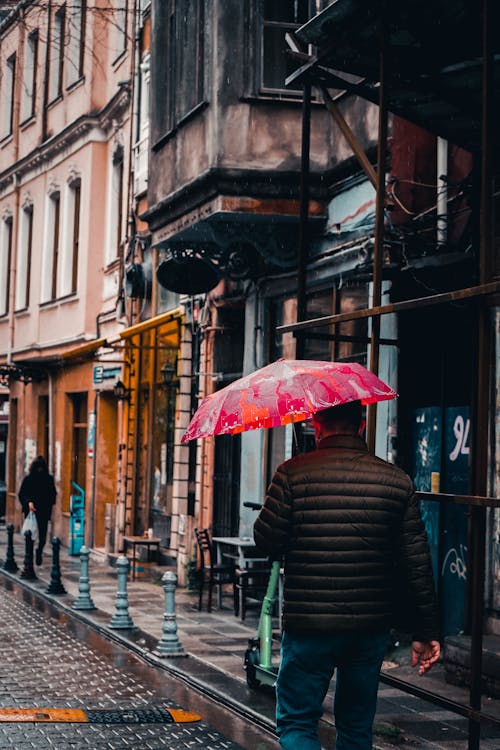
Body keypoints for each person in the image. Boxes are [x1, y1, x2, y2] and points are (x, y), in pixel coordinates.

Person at [254, 400, 440, 750]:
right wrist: (426, 631)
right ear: (362, 426)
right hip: (368, 627)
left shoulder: (292, 473)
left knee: (297, 721)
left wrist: (282, 494)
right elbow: (417, 561)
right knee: (356, 728)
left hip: (309, 623)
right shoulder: (396, 481)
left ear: (316, 426)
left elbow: (266, 541)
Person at [19, 456, 57, 566]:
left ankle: (38, 551)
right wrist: (28, 502)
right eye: (38, 467)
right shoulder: (29, 479)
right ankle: (30, 556)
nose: (39, 470)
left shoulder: (48, 479)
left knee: (42, 537)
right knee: (30, 536)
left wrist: (48, 504)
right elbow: (22, 494)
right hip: (31, 512)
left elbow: (53, 494)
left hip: (43, 512)